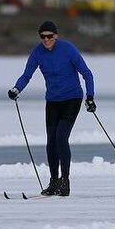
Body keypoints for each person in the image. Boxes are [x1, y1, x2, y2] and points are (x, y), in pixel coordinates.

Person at [8, 21, 96, 197]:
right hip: (53, 101)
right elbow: (27, 75)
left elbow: (86, 73)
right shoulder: (37, 52)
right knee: (51, 142)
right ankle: (54, 181)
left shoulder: (68, 49)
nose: (46, 40)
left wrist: (90, 96)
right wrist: (16, 89)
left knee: (61, 137)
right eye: (43, 37)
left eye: (50, 36)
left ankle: (65, 181)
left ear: (56, 36)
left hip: (72, 98)